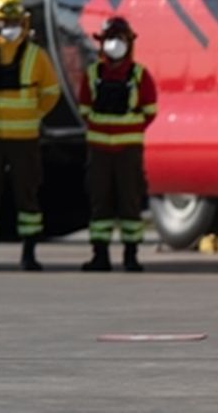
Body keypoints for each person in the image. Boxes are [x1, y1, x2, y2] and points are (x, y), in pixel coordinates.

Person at [0, 0, 60, 272]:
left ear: (24, 23)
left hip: (25, 140)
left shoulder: (36, 56)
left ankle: (29, 254)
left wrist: (31, 115)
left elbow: (51, 93)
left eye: (15, 21)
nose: (10, 26)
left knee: (27, 196)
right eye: (5, 21)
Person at [78, 16, 158, 273]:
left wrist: (127, 129)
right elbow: (85, 109)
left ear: (129, 43)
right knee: (99, 202)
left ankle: (131, 255)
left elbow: (150, 110)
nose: (114, 45)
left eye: (119, 39)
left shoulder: (140, 75)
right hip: (99, 151)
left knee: (129, 202)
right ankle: (100, 255)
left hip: (128, 153)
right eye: (110, 39)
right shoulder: (92, 75)